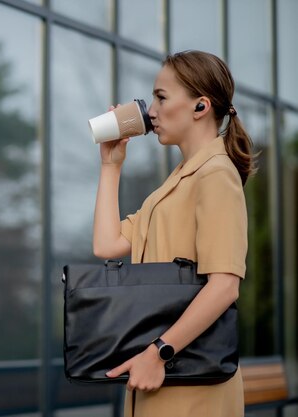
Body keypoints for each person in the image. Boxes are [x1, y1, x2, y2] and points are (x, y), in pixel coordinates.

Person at [92, 50, 255, 417]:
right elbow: (106, 244)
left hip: (191, 380)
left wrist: (159, 352)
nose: (151, 110)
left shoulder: (216, 174)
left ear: (200, 106)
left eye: (161, 97)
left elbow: (225, 284)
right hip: (165, 375)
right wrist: (109, 166)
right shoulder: (177, 184)